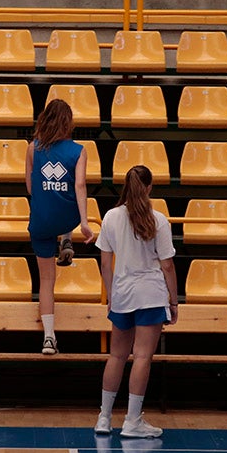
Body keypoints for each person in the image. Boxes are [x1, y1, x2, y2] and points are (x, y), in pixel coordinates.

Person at [94, 165, 178, 438]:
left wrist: (111, 294)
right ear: (150, 187)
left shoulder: (110, 217)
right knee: (142, 356)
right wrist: (174, 301)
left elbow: (106, 262)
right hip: (150, 295)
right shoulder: (158, 219)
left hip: (121, 293)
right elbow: (167, 266)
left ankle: (104, 418)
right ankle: (132, 420)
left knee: (116, 355)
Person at [26, 98, 94, 355]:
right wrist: (84, 223)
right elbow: (79, 187)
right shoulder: (79, 150)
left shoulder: (33, 148)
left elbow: (31, 188)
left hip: (41, 221)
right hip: (68, 217)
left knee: (46, 280)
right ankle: (67, 238)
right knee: (68, 211)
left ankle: (49, 337)